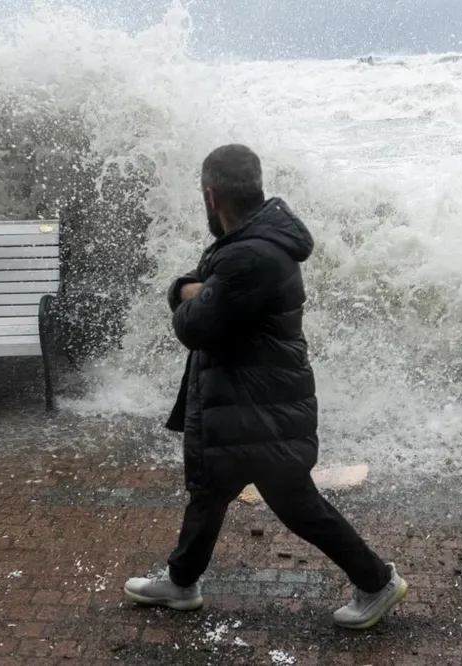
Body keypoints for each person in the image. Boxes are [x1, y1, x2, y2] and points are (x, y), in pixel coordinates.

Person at [123, 144, 407, 630]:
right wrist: (194, 289)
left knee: (298, 507)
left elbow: (194, 325)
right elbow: (207, 293)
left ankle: (377, 582)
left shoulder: (250, 255)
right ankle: (182, 581)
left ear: (212, 196)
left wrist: (184, 292)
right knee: (208, 493)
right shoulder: (250, 243)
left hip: (260, 409)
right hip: (242, 402)